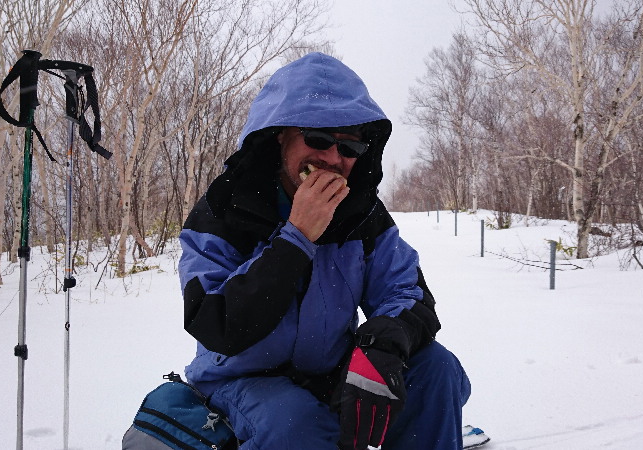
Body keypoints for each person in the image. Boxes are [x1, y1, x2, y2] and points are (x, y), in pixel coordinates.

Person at [179, 52, 471, 450]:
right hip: (242, 379)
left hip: (330, 369)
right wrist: (297, 237)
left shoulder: (360, 214)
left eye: (350, 147)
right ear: (280, 134)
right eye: (318, 139)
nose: (333, 159)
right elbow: (217, 325)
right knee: (295, 420)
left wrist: (383, 344)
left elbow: (406, 291)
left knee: (437, 368)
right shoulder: (224, 211)